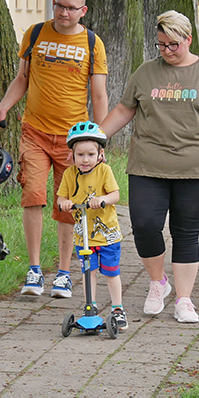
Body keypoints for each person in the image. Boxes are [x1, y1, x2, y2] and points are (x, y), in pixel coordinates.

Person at [100, 10, 199, 323]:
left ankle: (184, 300)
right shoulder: (146, 72)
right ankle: (158, 283)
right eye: (161, 45)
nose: (166, 51)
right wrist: (95, 140)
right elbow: (123, 110)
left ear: (188, 39)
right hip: (148, 163)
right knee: (145, 225)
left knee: (186, 232)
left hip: (196, 166)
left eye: (173, 44)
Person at [0, 0, 109, 298]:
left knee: (67, 204)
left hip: (74, 141)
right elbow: (22, 78)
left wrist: (98, 140)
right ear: (54, 4)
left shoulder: (93, 44)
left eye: (71, 8)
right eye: (60, 6)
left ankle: (64, 274)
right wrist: (3, 107)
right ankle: (35, 270)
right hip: (35, 132)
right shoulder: (35, 34)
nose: (64, 13)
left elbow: (98, 95)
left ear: (83, 11)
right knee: (33, 195)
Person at [56, 121, 127, 329]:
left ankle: (117, 308)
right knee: (89, 272)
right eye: (80, 155)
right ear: (72, 155)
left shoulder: (104, 171)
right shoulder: (70, 174)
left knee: (111, 271)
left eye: (90, 154)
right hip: (83, 235)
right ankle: (91, 306)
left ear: (100, 154)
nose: (85, 160)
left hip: (107, 235)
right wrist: (65, 203)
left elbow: (115, 195)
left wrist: (102, 199)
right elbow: (61, 198)